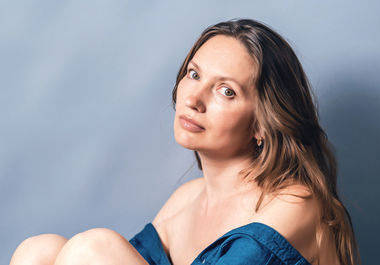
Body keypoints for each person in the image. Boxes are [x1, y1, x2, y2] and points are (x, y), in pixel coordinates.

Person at [9, 18, 360, 265]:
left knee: (92, 249)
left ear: (263, 125)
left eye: (226, 91)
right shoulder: (186, 199)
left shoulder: (294, 204)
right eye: (194, 74)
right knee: (39, 251)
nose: (193, 98)